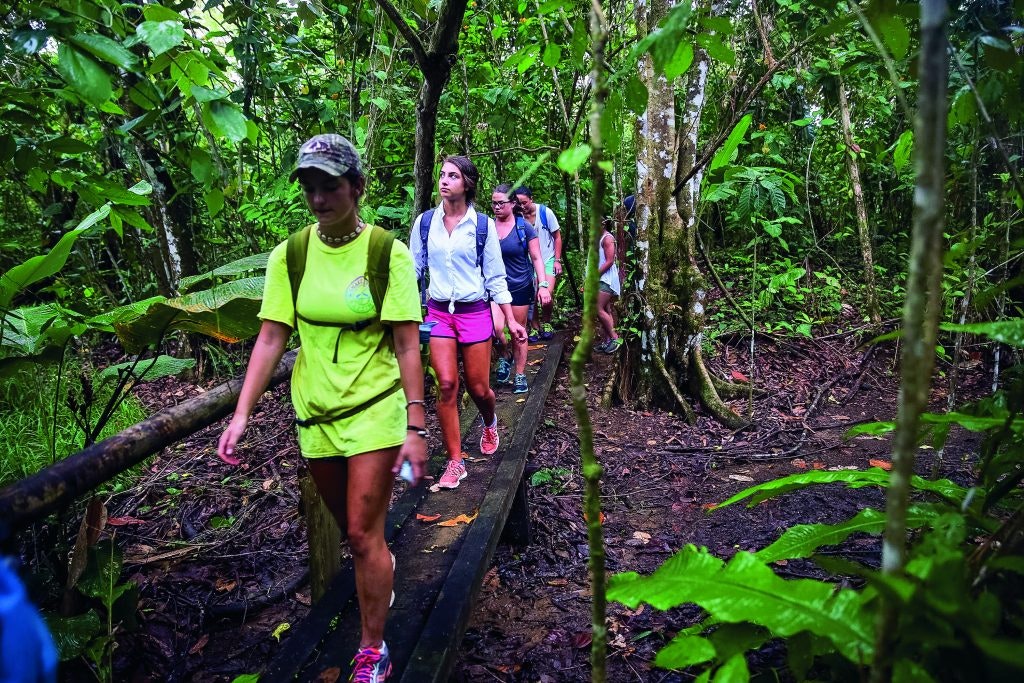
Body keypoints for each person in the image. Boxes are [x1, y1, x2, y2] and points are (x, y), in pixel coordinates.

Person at [218, 134, 426, 683]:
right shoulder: (291, 255)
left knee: (359, 534)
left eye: (329, 186)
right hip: (315, 415)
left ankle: (372, 647)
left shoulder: (387, 253)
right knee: (357, 532)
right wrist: (241, 414)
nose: (318, 199)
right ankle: (380, 566)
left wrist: (416, 422)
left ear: (356, 187)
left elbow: (407, 344)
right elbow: (270, 338)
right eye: (309, 187)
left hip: (375, 410)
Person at [410, 156, 526, 490]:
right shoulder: (425, 223)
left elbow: (495, 277)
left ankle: (489, 421)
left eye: (453, 176)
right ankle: (455, 461)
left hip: (474, 311)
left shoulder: (483, 226)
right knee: (446, 385)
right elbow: (413, 270)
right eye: (442, 175)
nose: (444, 181)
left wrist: (509, 320)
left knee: (479, 388)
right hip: (438, 314)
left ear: (467, 184)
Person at [489, 184, 550, 394]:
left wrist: (542, 285)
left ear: (512, 204)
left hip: (519, 286)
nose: (496, 207)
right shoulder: (487, 227)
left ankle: (521, 374)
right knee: (497, 329)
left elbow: (537, 258)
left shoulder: (524, 228)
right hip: (496, 288)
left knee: (519, 331)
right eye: (494, 203)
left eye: (501, 203)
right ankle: (505, 355)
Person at [513, 186, 562, 341]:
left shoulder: (545, 213)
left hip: (547, 257)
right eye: (518, 203)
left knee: (547, 292)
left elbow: (557, 237)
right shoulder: (516, 217)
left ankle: (546, 322)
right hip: (527, 261)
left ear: (531, 199)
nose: (522, 206)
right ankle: (534, 326)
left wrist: (557, 261)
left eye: (524, 202)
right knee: (532, 295)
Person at [594, 219, 622, 354]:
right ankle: (608, 341)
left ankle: (614, 338)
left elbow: (610, 261)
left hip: (606, 279)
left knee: (597, 307)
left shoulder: (608, 238)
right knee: (606, 309)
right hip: (599, 278)